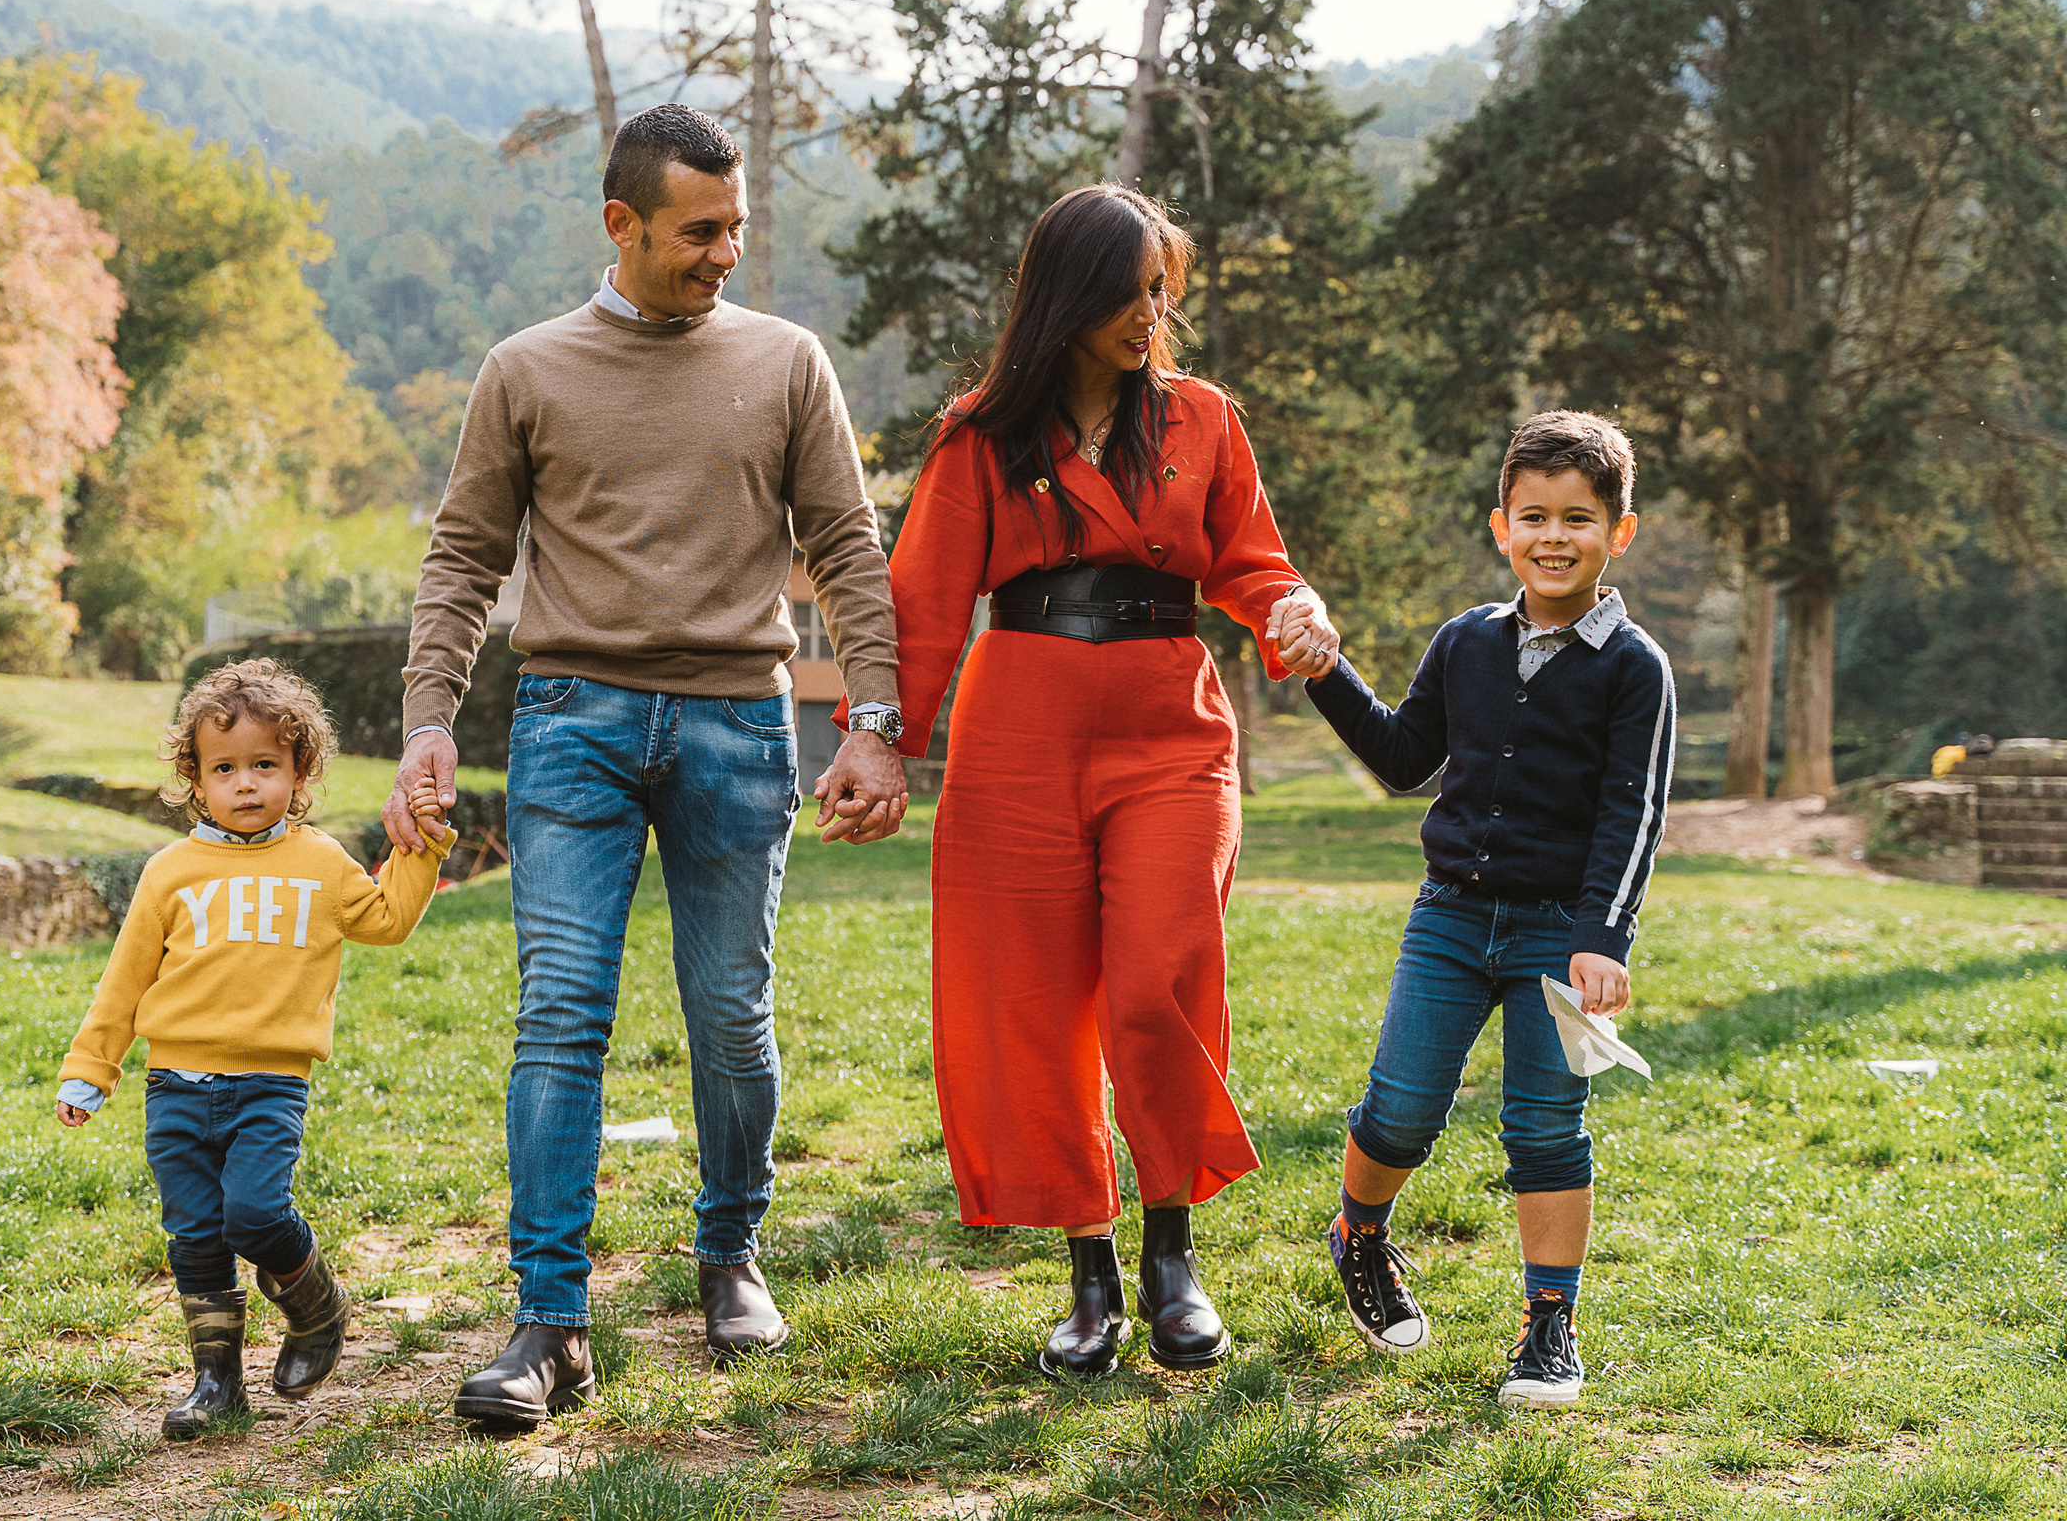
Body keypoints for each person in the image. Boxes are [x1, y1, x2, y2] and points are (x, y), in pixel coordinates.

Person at [385, 103, 909, 1429]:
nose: (725, 251)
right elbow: (463, 559)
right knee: (560, 1011)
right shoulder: (527, 369)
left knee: (731, 1011)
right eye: (699, 230)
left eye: (735, 226)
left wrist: (875, 717)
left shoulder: (787, 362)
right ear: (620, 224)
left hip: (739, 720)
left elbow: (847, 547)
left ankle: (730, 1252)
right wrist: (430, 718)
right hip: (572, 719)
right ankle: (548, 1319)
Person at [860, 184, 1341, 1379]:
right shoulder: (979, 433)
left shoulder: (1200, 420)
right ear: (1068, 295)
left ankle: (1173, 1249)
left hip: (1168, 729)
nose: (1152, 310)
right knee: (1030, 1004)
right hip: (1014, 734)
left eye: (1160, 287)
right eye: (1131, 290)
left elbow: (1252, 562)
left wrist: (1292, 605)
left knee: (1157, 980)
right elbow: (923, 607)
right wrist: (880, 740)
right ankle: (1091, 1268)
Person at [1305, 410, 1675, 1409]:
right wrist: (1324, 672)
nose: (1555, 538)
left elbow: (1630, 815)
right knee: (1400, 1109)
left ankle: (1547, 1327)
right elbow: (1400, 760)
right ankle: (1360, 1236)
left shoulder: (1633, 667)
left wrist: (1602, 939)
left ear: (1618, 532)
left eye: (1580, 520)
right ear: (1500, 526)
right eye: (1534, 517)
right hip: (1451, 919)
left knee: (1545, 1126)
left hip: (1560, 931)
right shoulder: (1465, 642)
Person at [55, 659, 455, 1440]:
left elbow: (387, 919)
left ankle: (316, 1304)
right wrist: (89, 1069)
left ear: (299, 771)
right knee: (195, 1232)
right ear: (195, 780)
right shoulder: (169, 873)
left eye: (265, 765)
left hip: (270, 1081)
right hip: (174, 1085)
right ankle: (216, 1382)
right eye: (225, 767)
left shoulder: (320, 863)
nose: (245, 783)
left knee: (256, 1212)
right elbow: (124, 980)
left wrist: (423, 846)